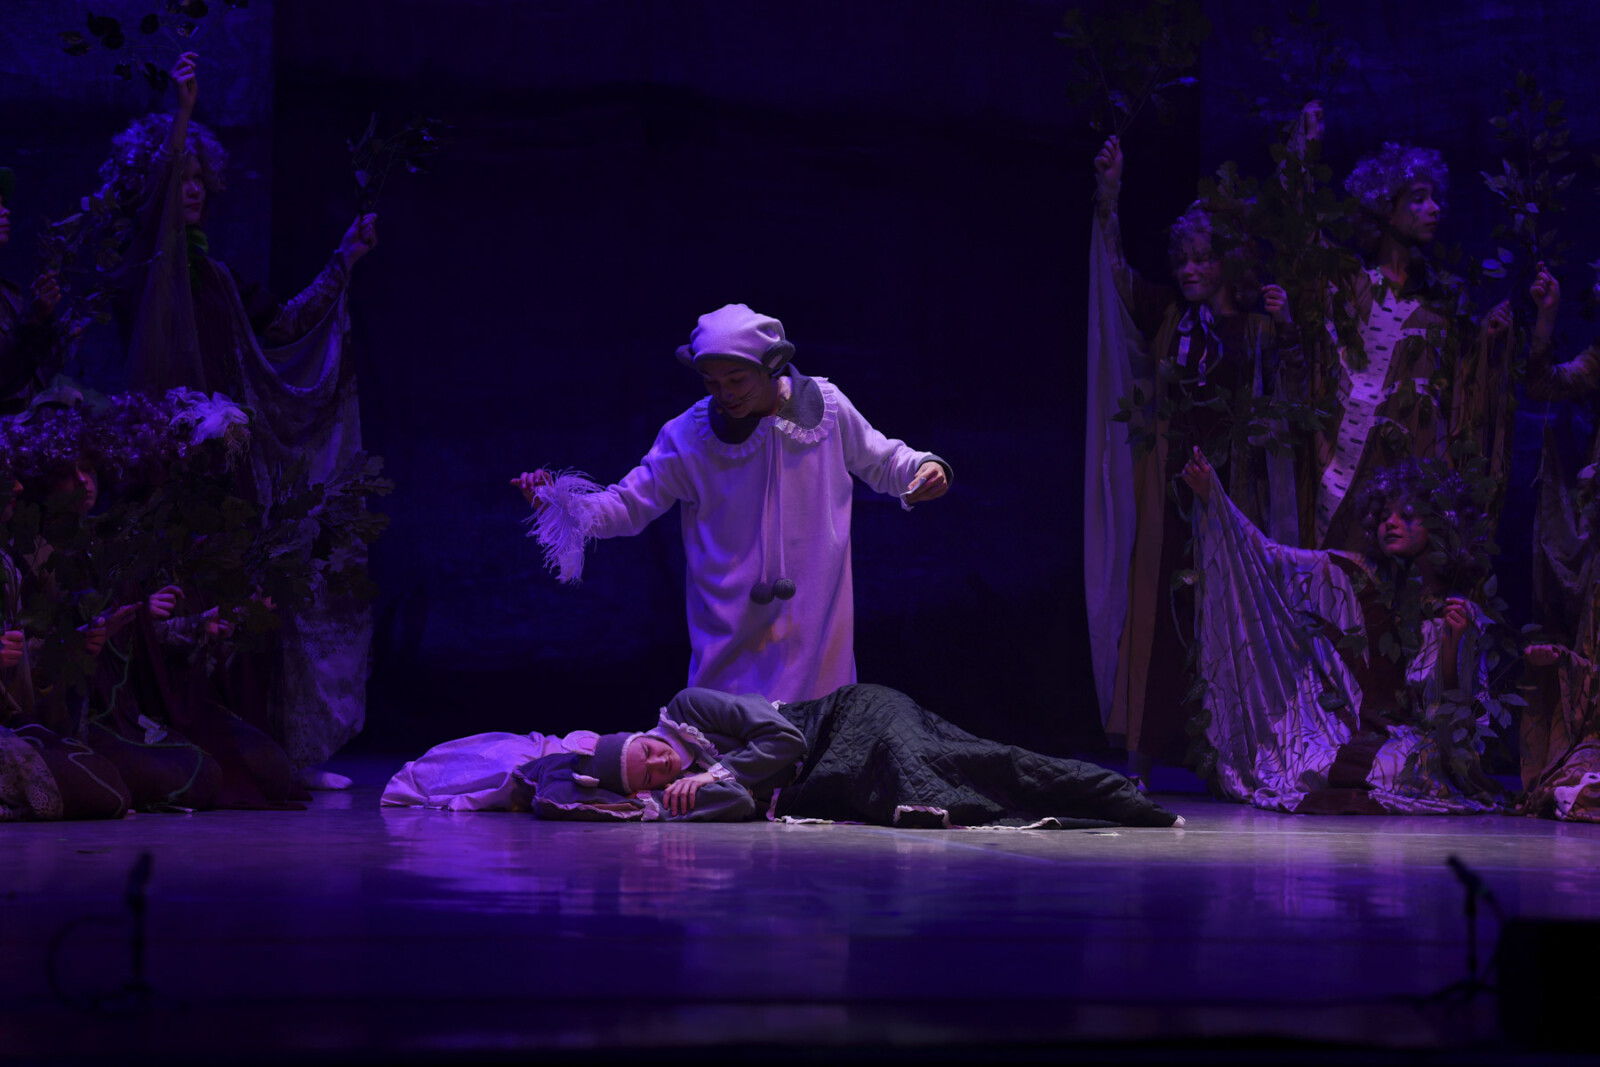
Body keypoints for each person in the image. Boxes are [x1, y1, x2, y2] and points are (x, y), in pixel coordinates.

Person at [98, 53, 380, 787]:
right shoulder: (144, 270)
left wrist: (343, 260)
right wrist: (182, 113)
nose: (191, 188)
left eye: (200, 177)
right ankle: (186, 750)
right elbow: (155, 225)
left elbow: (280, 327)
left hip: (227, 468)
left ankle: (266, 752)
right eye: (179, 177)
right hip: (162, 468)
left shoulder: (217, 277)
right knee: (182, 608)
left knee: (247, 607)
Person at [515, 303, 951, 703]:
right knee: (727, 741)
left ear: (770, 365)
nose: (724, 393)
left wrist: (924, 467)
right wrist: (561, 505)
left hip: (813, 623)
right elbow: (630, 504)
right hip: (732, 630)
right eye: (712, 382)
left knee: (816, 734)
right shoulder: (688, 437)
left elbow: (882, 458)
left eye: (736, 379)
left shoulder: (827, 411)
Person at [1089, 136, 1302, 787]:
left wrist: (1287, 325)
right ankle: (1142, 754)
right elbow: (1117, 279)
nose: (1188, 269)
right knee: (1160, 611)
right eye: (1182, 258)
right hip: (1172, 487)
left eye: (1202, 258)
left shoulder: (1253, 329)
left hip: (1231, 491)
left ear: (1227, 263)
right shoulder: (1169, 318)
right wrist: (1109, 198)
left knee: (1226, 612)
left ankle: (1232, 755)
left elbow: (1289, 394)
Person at [1183, 448, 1505, 815]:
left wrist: (1452, 647)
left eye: (1407, 515)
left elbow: (1456, 721)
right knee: (1315, 759)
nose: (1391, 523)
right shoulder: (1354, 576)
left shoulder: (1459, 613)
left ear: (1440, 524)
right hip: (1362, 733)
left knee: (1403, 766)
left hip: (1422, 743)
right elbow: (1274, 560)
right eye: (1383, 516)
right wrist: (1215, 499)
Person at [385, 684, 1180, 829]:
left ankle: (1124, 797)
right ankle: (1108, 801)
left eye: (652, 755)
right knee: (950, 795)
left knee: (962, 760)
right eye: (651, 776)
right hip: (827, 779)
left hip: (849, 720)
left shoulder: (690, 710)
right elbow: (740, 804)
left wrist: (718, 771)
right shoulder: (682, 793)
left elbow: (788, 739)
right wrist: (688, 797)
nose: (661, 768)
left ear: (651, 733)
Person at [1307, 137, 1512, 551]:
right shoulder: (1352, 284)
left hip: (1407, 471)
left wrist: (1488, 343)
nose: (1434, 209)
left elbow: (1461, 394)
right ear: (1387, 206)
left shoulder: (1443, 304)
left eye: (1435, 199)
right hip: (1344, 465)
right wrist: (1307, 148)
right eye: (1418, 198)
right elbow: (1304, 242)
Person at [0, 167, 68, 410]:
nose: (6, 211)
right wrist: (33, 320)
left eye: (3, 203)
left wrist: (54, 332)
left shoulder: (9, 294)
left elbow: (29, 378)